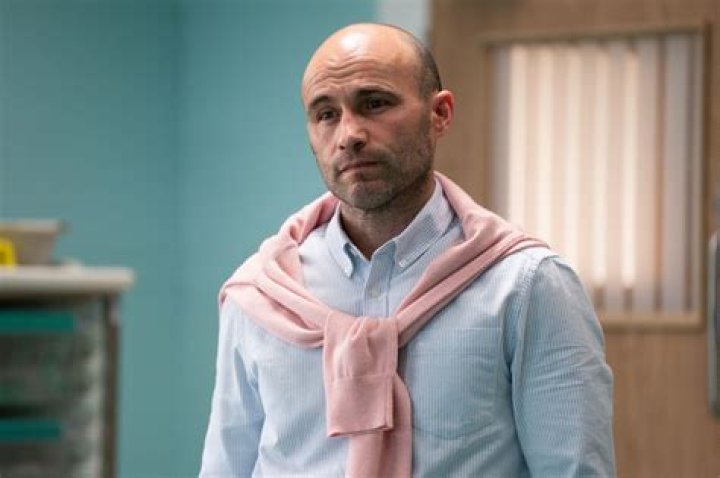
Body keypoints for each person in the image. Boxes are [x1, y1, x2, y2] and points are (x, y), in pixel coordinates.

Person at [199, 23, 615, 477]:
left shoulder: (527, 287)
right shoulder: (259, 296)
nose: (349, 134)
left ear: (440, 114)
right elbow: (226, 467)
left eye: (375, 103)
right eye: (326, 114)